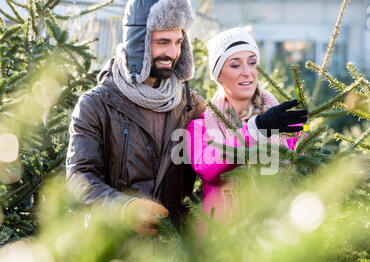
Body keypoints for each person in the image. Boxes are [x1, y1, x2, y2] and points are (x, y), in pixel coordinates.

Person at [66, 0, 205, 236]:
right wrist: (124, 208)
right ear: (138, 41)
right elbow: (79, 178)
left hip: (174, 253)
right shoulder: (96, 105)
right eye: (162, 42)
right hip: (116, 252)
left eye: (178, 42)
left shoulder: (192, 106)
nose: (172, 53)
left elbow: (213, 175)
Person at [185, 28, 308, 236]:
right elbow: (208, 168)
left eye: (252, 62)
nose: (247, 71)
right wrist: (256, 129)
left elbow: (306, 172)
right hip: (221, 244)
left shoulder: (283, 124)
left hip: (276, 239)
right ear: (219, 75)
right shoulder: (200, 126)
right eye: (235, 64)